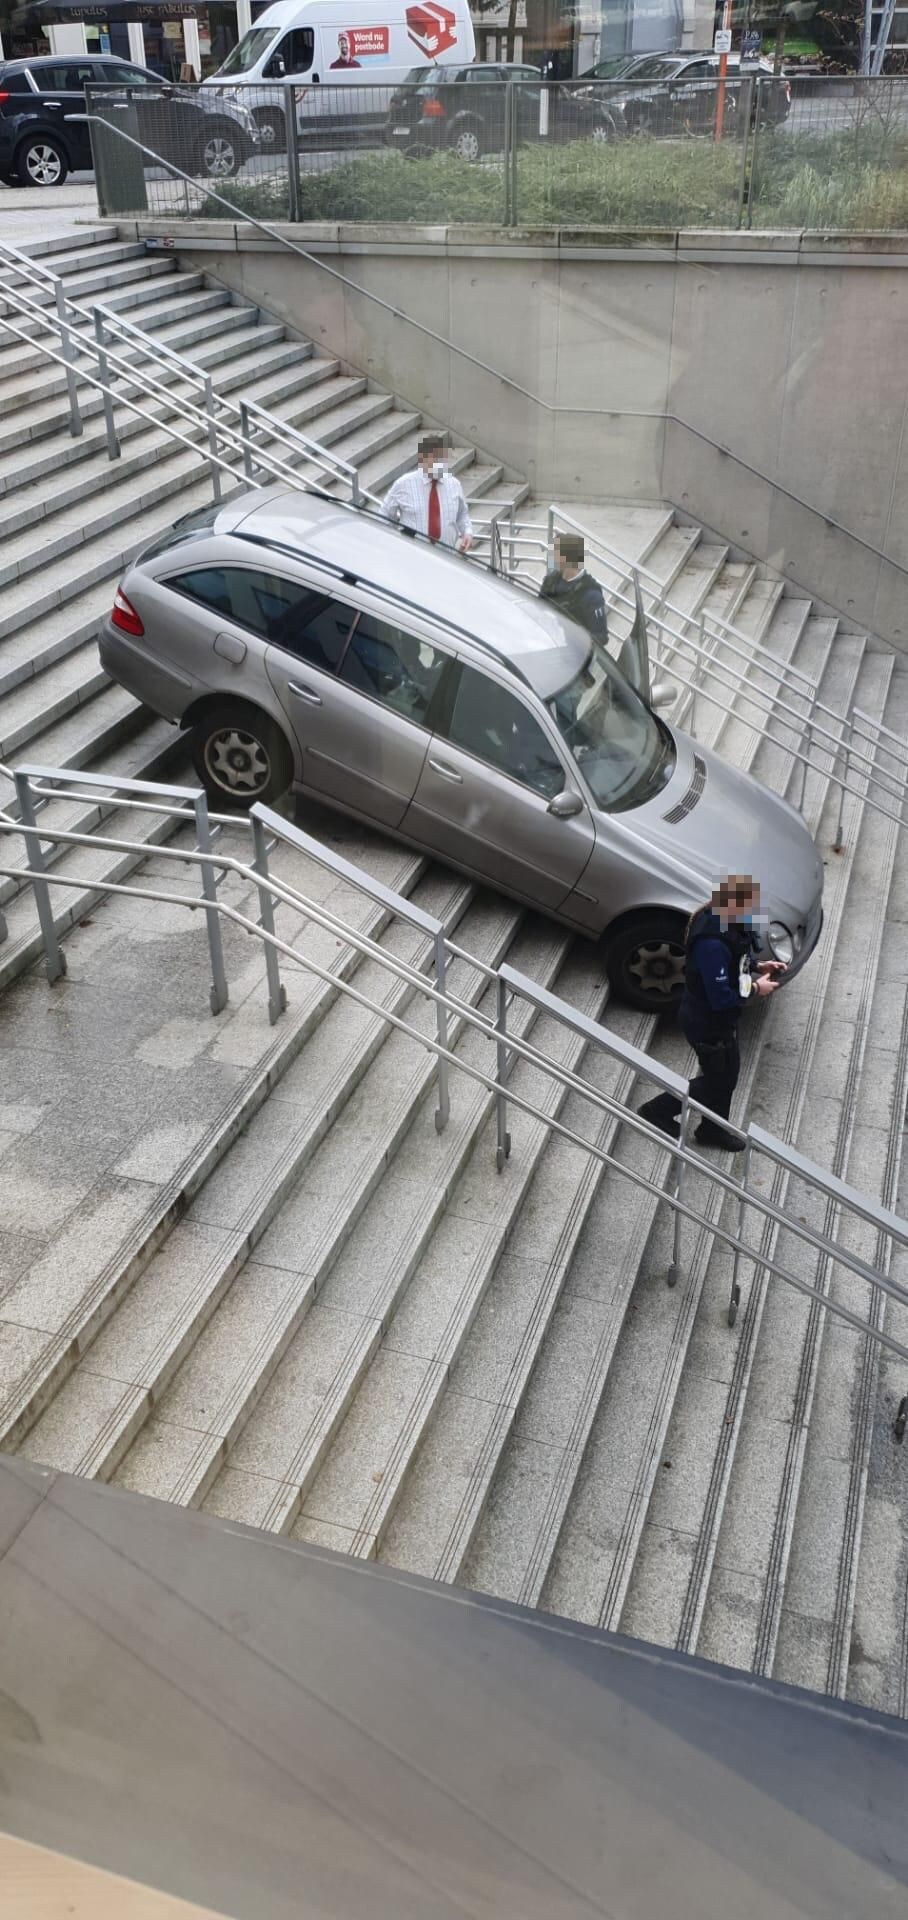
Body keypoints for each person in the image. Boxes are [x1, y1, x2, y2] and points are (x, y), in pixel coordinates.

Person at [637, 874, 785, 1150]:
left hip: (720, 1019)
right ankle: (657, 1110)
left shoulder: (727, 925)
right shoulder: (711, 944)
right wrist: (756, 989)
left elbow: (738, 956)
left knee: (727, 1075)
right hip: (707, 1021)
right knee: (717, 1081)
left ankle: (713, 1128)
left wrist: (758, 966)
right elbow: (721, 997)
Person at [381, 436, 475, 552]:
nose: (439, 463)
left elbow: (462, 515)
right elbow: (385, 517)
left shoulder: (454, 485)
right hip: (412, 556)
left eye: (442, 459)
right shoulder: (403, 484)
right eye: (435, 459)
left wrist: (467, 533)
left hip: (447, 557)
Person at [539, 533, 608, 643]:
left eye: (555, 552)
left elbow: (601, 637)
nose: (551, 556)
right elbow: (538, 610)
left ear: (566, 557)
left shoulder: (591, 594)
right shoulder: (550, 581)